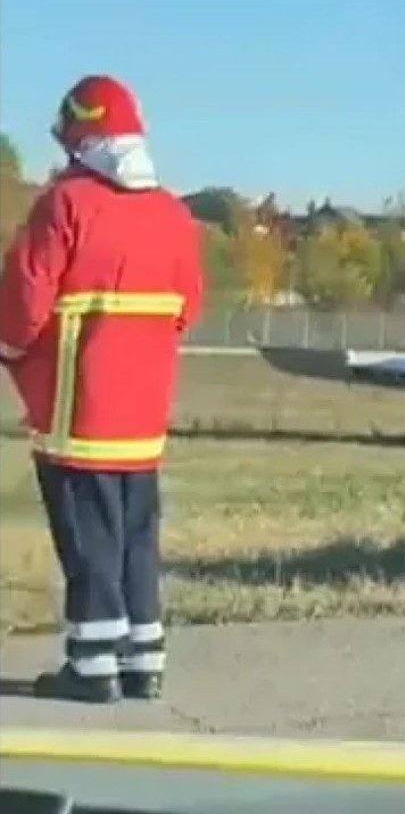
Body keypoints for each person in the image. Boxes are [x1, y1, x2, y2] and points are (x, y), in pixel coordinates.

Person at [0, 75, 203, 703]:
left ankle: (92, 668)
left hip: (76, 410)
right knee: (136, 536)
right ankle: (144, 659)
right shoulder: (173, 212)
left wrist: (8, 352)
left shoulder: (65, 206)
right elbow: (188, 307)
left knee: (88, 541)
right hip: (143, 419)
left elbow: (22, 305)